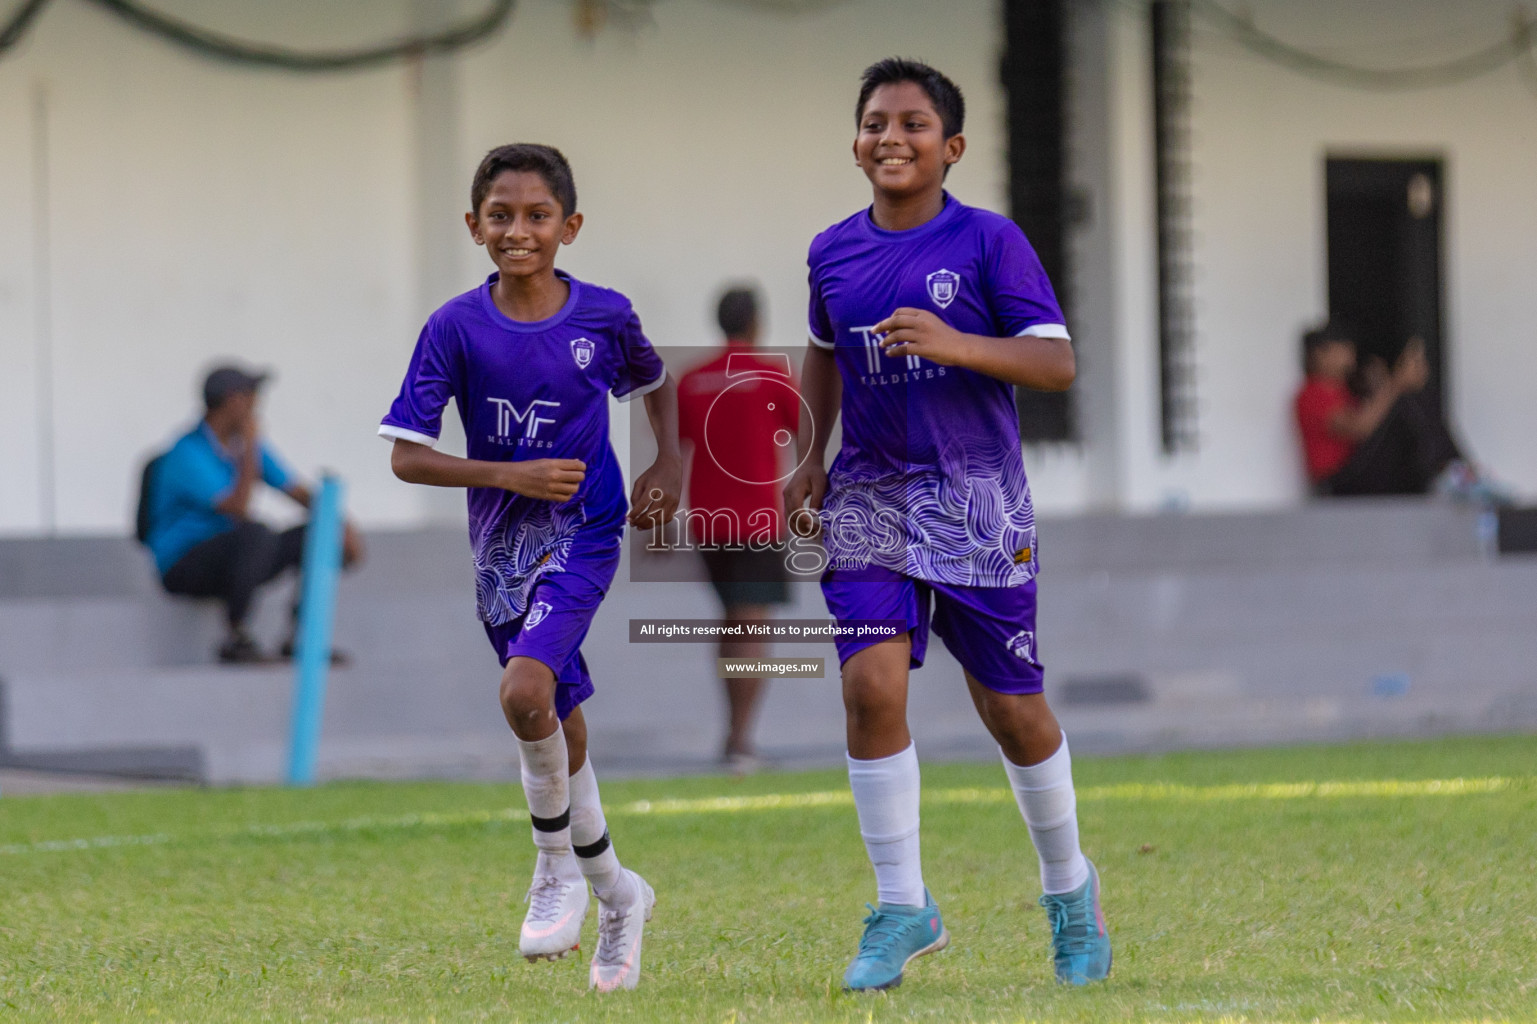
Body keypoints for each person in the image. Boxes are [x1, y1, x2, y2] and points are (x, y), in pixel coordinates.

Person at [782, 58, 1111, 992]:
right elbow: (822, 353)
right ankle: (901, 905)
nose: (891, 136)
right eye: (874, 122)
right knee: (870, 689)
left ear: (950, 147)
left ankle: (1068, 889)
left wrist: (955, 342)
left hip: (977, 506)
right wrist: (807, 458)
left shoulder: (989, 242)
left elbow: (1055, 366)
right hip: (869, 501)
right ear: (855, 142)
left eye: (913, 123)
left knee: (1011, 711)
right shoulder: (829, 252)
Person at [379, 143, 682, 992]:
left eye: (537, 215)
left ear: (569, 226)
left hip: (585, 531)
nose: (519, 231)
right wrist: (503, 474)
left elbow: (654, 382)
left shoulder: (605, 316)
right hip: (499, 553)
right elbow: (406, 457)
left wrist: (668, 467)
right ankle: (619, 895)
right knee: (555, 715)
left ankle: (552, 867)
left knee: (521, 694)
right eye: (501, 216)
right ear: (474, 226)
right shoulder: (454, 327)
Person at [145, 365, 364, 663]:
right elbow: (239, 508)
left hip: (236, 556)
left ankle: (301, 639)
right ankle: (236, 636)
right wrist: (250, 448)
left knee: (313, 535)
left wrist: (338, 524)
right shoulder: (187, 452)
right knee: (255, 533)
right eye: (251, 396)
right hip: (184, 564)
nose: (257, 405)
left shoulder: (244, 446)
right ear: (233, 400)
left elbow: (295, 490)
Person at [677, 285, 799, 772]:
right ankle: (741, 742)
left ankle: (733, 737)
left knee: (731, 621)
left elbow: (678, 446)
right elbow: (804, 433)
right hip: (756, 518)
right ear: (756, 323)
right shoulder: (772, 375)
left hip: (707, 520)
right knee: (752, 626)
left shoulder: (690, 381)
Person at [1294, 325, 1501, 500]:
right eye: (1342, 349)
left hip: (1362, 476)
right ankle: (1458, 474)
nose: (1350, 354)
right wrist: (1396, 384)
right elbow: (1358, 429)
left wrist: (1388, 384)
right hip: (1339, 483)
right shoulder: (1313, 392)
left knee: (1412, 399)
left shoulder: (1343, 390)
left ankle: (1458, 473)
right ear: (1319, 353)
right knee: (1403, 400)